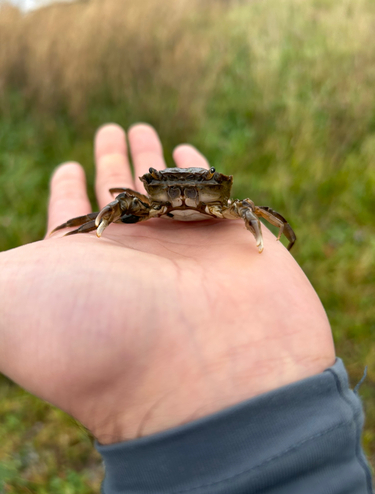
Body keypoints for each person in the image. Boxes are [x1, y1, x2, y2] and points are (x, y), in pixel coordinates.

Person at [0, 123, 372, 493]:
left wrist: (267, 230)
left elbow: (254, 212)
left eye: (200, 186)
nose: (182, 195)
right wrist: (99, 222)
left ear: (221, 184)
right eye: (166, 185)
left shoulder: (235, 208)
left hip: (215, 213)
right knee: (109, 210)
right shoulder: (143, 202)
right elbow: (117, 205)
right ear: (151, 185)